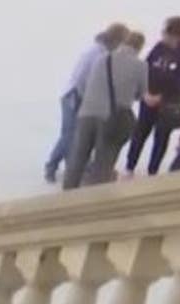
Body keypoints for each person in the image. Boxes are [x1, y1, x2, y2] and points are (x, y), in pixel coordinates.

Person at [63, 30, 147, 190]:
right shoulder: (140, 66)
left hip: (87, 112)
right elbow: (141, 93)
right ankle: (95, 196)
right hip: (111, 118)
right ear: (140, 47)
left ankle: (68, 192)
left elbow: (86, 84)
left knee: (78, 157)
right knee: (103, 161)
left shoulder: (102, 59)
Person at [47, 24, 127, 184]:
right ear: (116, 40)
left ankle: (74, 166)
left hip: (78, 97)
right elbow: (82, 80)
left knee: (76, 135)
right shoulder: (97, 54)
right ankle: (52, 166)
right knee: (70, 135)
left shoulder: (101, 52)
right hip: (74, 97)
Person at [124, 16, 180, 177]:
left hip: (169, 103)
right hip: (148, 97)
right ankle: (129, 167)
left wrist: (161, 97)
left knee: (161, 137)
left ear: (177, 36)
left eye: (166, 33)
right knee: (140, 132)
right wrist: (144, 92)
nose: (162, 35)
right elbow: (146, 67)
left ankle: (153, 171)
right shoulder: (159, 47)